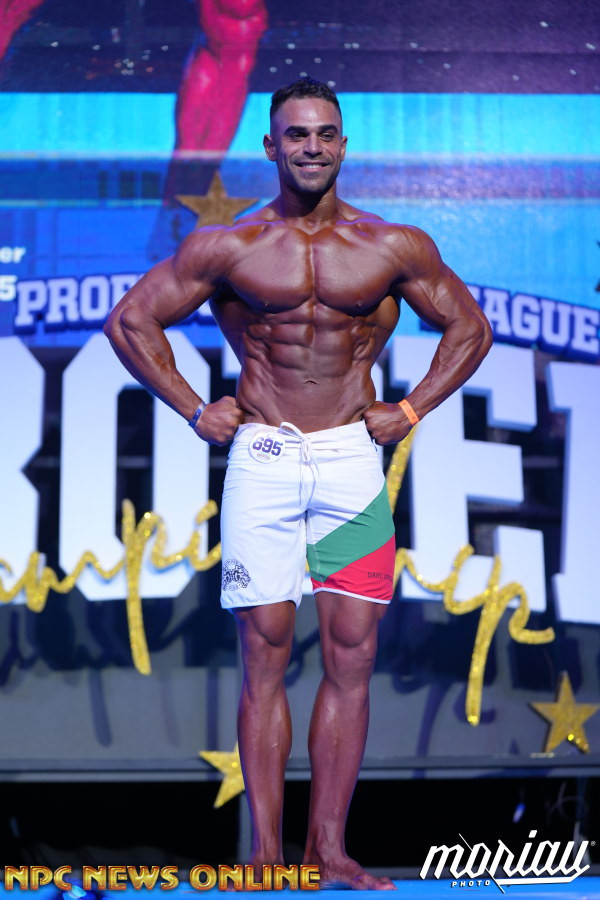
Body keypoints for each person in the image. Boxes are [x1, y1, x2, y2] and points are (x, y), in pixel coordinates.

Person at [104, 77, 493, 890]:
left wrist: (412, 407)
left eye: (324, 134)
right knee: (264, 652)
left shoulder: (392, 245)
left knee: (354, 651)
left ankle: (331, 851)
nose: (311, 147)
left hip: (352, 462)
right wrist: (192, 407)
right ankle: (264, 857)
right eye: (296, 134)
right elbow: (131, 320)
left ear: (343, 145)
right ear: (271, 146)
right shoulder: (230, 246)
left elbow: (470, 327)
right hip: (266, 460)